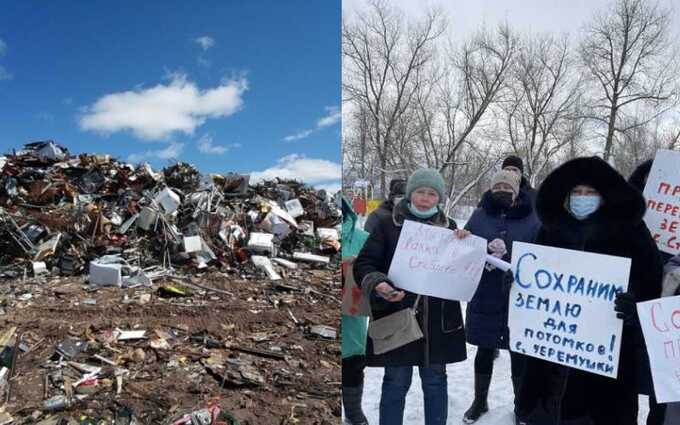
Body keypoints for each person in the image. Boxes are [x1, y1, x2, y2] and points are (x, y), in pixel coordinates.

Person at [515, 157, 664, 425]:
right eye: (577, 192)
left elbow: (652, 285)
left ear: (604, 196)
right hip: (551, 367)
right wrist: (515, 286)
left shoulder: (632, 232)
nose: (582, 198)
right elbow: (532, 284)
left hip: (606, 370)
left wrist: (634, 306)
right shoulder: (550, 231)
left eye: (590, 192)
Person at [354, 168, 469, 425]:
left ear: (439, 198)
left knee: (436, 381)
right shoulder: (386, 224)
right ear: (410, 194)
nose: (425, 198)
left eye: (431, 193)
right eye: (420, 192)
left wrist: (466, 244)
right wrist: (379, 283)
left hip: (438, 324)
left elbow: (462, 268)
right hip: (398, 316)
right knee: (395, 381)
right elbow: (364, 264)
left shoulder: (450, 227)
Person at [463, 170, 539, 423]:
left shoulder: (533, 218)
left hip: (519, 296)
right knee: (485, 351)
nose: (503, 189)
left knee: (520, 353)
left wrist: (515, 260)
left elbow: (541, 252)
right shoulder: (479, 215)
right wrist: (480, 247)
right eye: (498, 185)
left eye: (508, 186)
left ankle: (521, 406)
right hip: (486, 294)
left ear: (517, 190)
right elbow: (463, 249)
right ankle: (479, 401)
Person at [628, 158, 675, 425]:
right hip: (631, 318)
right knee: (627, 387)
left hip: (669, 324)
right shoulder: (626, 224)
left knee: (663, 392)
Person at [341, 195, 371, 425]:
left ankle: (353, 410)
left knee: (352, 363)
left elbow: (376, 267)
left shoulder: (362, 238)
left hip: (352, 315)